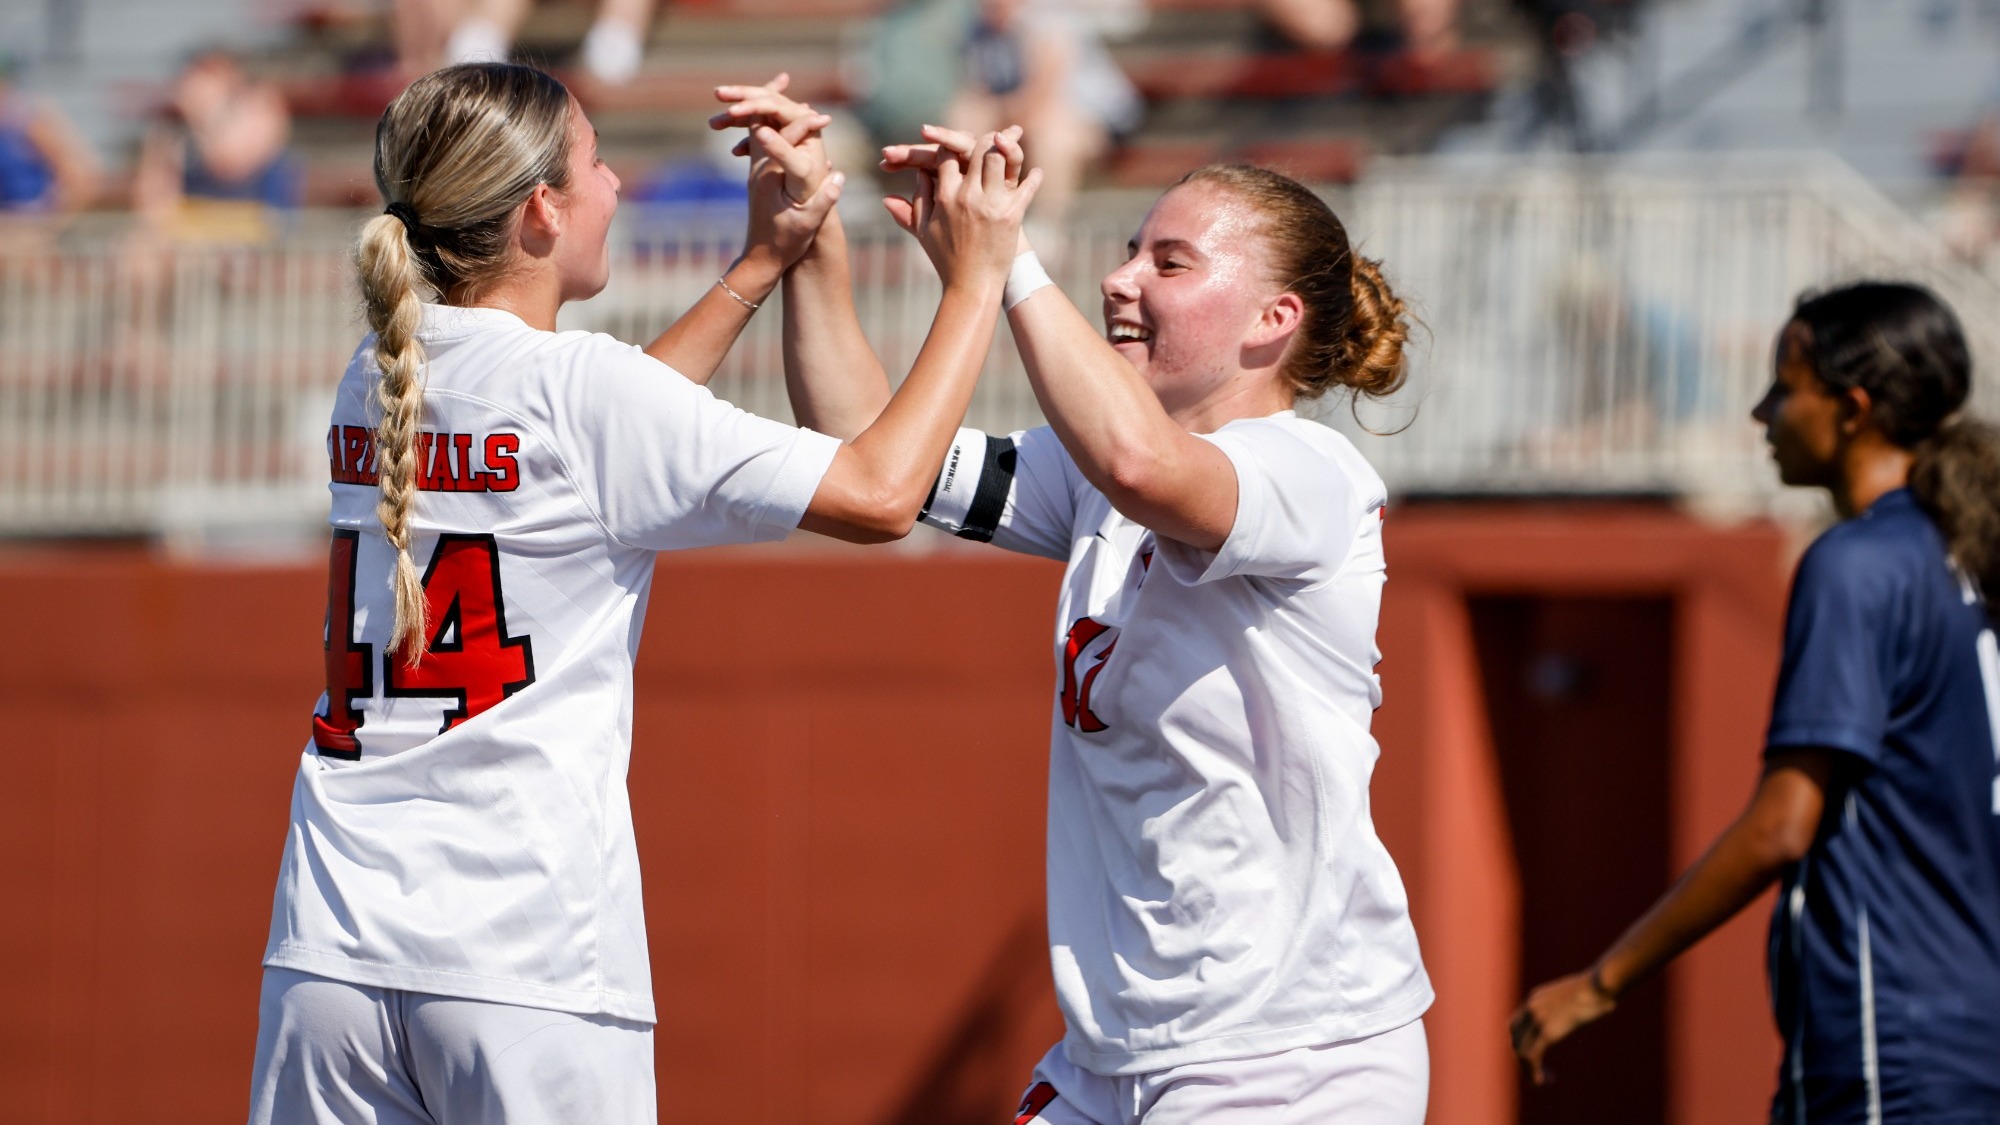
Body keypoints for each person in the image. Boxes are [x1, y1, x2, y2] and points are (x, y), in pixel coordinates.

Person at [248, 62, 1038, 1121]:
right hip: (523, 958)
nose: (615, 186)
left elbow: (610, 436)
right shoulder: (579, 395)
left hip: (330, 949)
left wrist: (765, 263)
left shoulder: (382, 367)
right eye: (596, 165)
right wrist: (978, 279)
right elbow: (882, 494)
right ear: (540, 211)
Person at [718, 85, 1433, 1122]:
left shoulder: (1306, 473)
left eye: (1168, 263)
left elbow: (1142, 463)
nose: (1120, 278)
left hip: (1287, 1057)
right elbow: (872, 458)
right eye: (1131, 250)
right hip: (1115, 1054)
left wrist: (1007, 262)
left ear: (1274, 321)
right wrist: (812, 232)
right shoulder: (1096, 478)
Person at [1511, 283, 2000, 1123]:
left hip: (1897, 1046)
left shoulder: (1858, 563)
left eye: (1784, 385)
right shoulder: (1965, 555)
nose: (1761, 411)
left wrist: (1601, 982)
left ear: (1851, 408)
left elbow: (1783, 824)